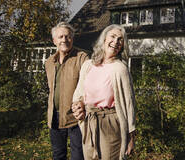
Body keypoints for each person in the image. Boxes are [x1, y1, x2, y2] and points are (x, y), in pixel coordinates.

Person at [72, 24, 136, 160]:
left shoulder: (120, 69)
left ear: (122, 45)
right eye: (112, 37)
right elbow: (79, 93)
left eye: (120, 39)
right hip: (89, 121)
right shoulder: (88, 65)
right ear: (104, 39)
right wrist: (78, 104)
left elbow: (129, 103)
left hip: (110, 123)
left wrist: (131, 135)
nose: (116, 42)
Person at [45, 22, 89, 160]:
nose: (64, 40)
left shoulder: (82, 58)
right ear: (54, 41)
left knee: (78, 156)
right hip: (54, 117)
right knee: (58, 155)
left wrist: (82, 104)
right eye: (61, 37)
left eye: (68, 36)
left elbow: (89, 87)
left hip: (76, 117)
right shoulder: (49, 62)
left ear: (72, 39)